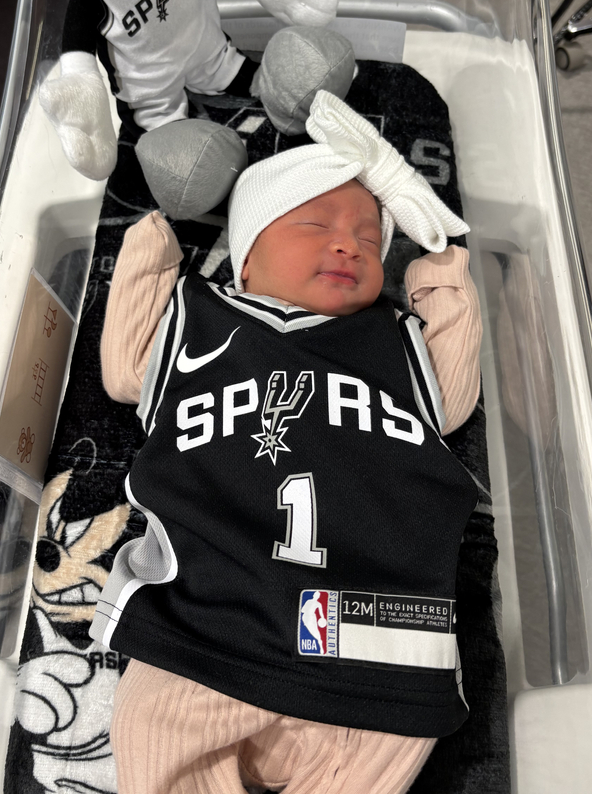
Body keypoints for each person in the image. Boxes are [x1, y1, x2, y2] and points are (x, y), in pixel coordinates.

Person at [90, 90, 483, 794]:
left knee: (382, 753)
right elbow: (125, 365)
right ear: (245, 258)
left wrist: (440, 270)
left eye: (370, 240)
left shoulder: (393, 342)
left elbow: (451, 398)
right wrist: (151, 248)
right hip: (207, 624)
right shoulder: (200, 320)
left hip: (373, 645)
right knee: (154, 732)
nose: (349, 244)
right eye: (315, 223)